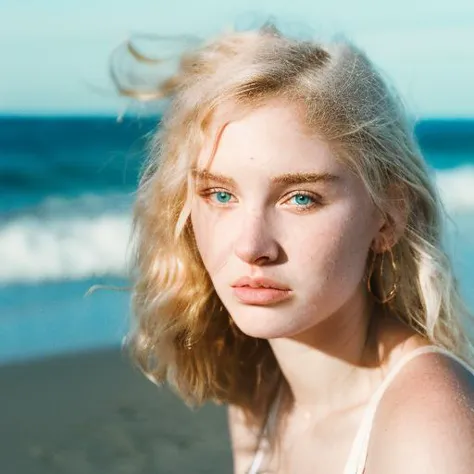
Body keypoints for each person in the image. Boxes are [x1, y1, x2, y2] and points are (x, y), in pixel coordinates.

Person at [113, 24, 474, 473]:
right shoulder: (261, 397)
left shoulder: (430, 432)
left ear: (388, 215)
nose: (251, 246)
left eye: (301, 198)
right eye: (221, 195)